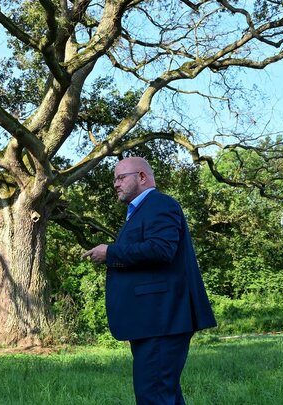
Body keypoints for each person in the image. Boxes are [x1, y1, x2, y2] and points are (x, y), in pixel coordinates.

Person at [83, 157, 216, 405]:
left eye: (121, 178)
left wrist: (110, 253)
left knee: (153, 395)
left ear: (142, 177)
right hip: (153, 321)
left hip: (162, 320)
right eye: (114, 179)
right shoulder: (142, 210)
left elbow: (161, 249)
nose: (115, 184)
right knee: (163, 394)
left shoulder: (159, 204)